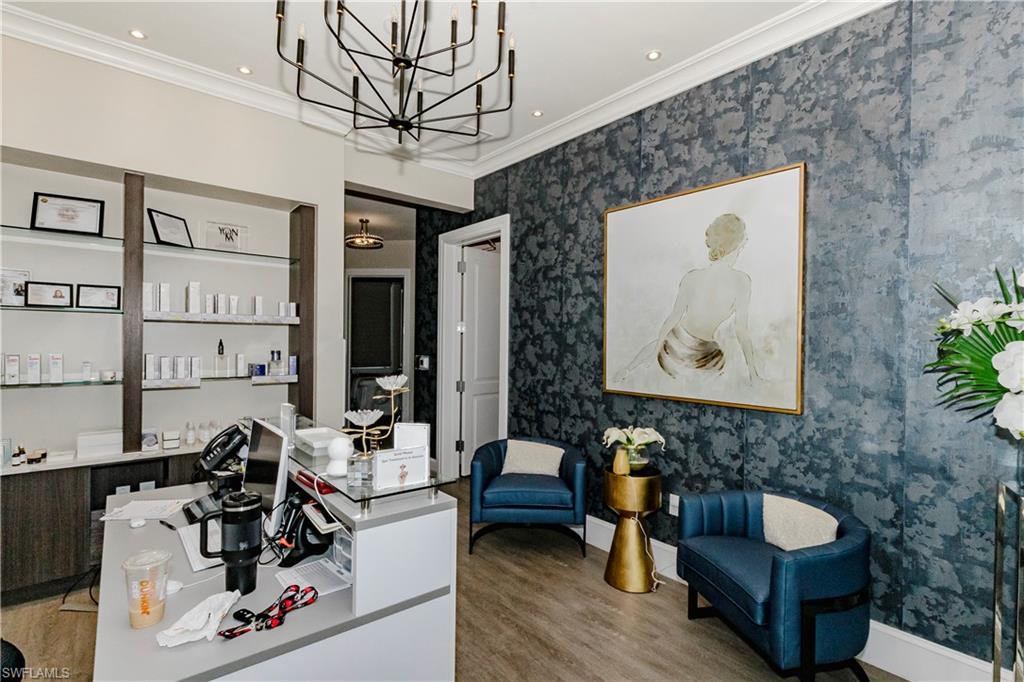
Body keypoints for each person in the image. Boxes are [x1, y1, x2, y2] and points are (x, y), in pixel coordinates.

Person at [615, 213, 762, 384]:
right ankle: (629, 369)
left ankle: (628, 370)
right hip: (700, 356)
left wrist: (656, 350)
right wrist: (753, 374)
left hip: (677, 348)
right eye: (744, 238)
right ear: (739, 244)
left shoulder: (692, 277)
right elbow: (741, 330)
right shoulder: (742, 281)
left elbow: (673, 318)